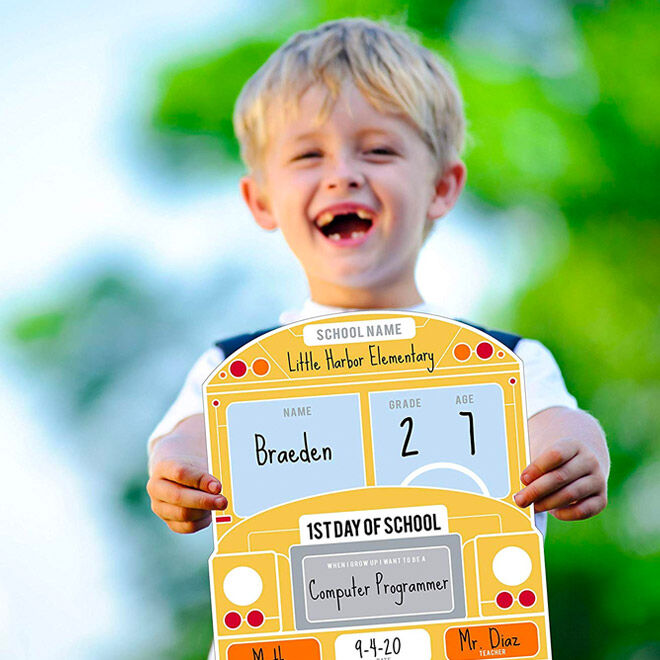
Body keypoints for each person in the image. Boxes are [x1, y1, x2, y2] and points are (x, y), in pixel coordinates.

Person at [146, 17, 609, 543]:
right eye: (308, 154)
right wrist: (178, 470)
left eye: (379, 150)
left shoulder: (501, 362)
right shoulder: (233, 370)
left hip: (471, 625)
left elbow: (559, 424)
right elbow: (185, 442)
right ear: (262, 200)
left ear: (441, 186)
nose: (343, 174)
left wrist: (580, 451)